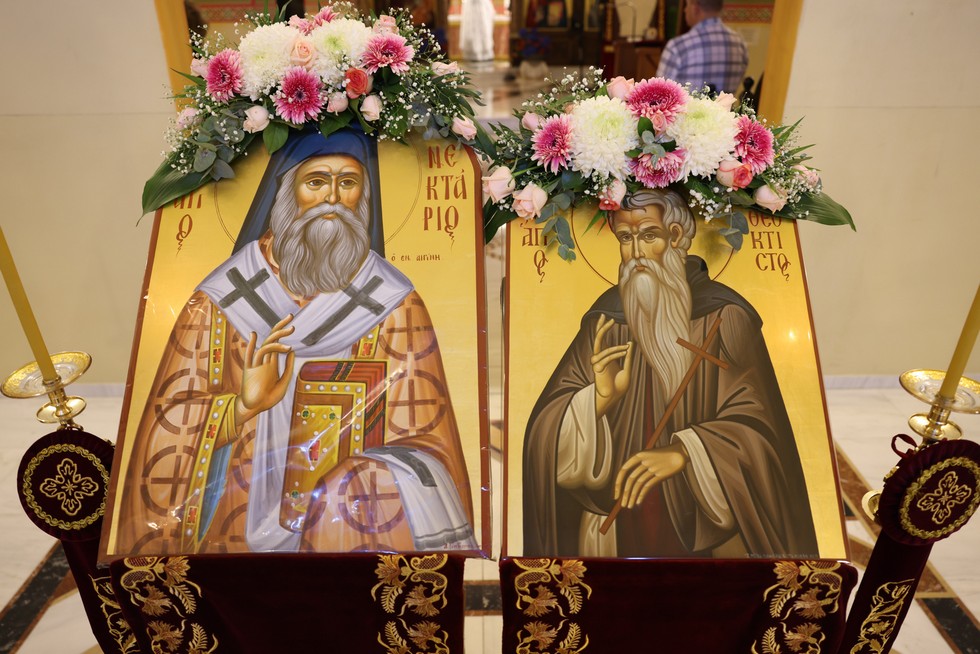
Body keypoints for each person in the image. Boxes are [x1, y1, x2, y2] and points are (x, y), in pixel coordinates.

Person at [113, 129, 476, 555]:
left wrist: (353, 480)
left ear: (364, 197)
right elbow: (166, 424)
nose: (332, 198)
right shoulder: (221, 299)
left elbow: (425, 437)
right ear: (286, 194)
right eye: (316, 181)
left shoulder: (391, 301)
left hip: (349, 524)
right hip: (234, 523)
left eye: (348, 182)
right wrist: (242, 408)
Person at [523, 189, 818, 558]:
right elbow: (544, 429)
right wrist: (597, 400)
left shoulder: (725, 316)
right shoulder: (606, 319)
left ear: (676, 236)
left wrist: (686, 451)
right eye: (625, 239)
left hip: (705, 521)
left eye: (649, 235)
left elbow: (759, 431)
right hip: (616, 523)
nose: (636, 252)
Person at [656, 0, 749, 94]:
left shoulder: (678, 47)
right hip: (726, 104)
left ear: (695, 8)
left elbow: (658, 95)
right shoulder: (739, 44)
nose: (685, 10)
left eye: (687, 5)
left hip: (687, 104)